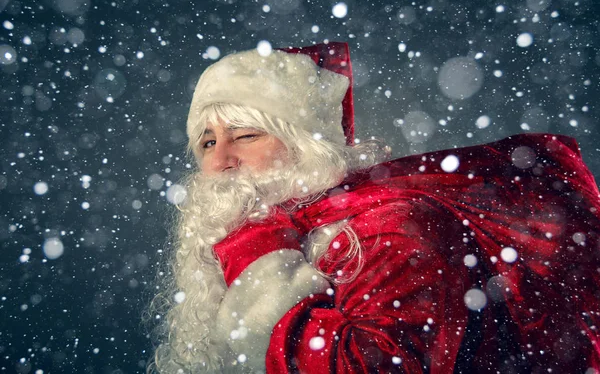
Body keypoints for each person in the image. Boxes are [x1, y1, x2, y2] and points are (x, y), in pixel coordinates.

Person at [149, 42, 600, 373]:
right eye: (207, 142)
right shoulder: (290, 231)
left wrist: (260, 260)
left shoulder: (396, 224)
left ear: (309, 146)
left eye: (246, 134)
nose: (221, 160)